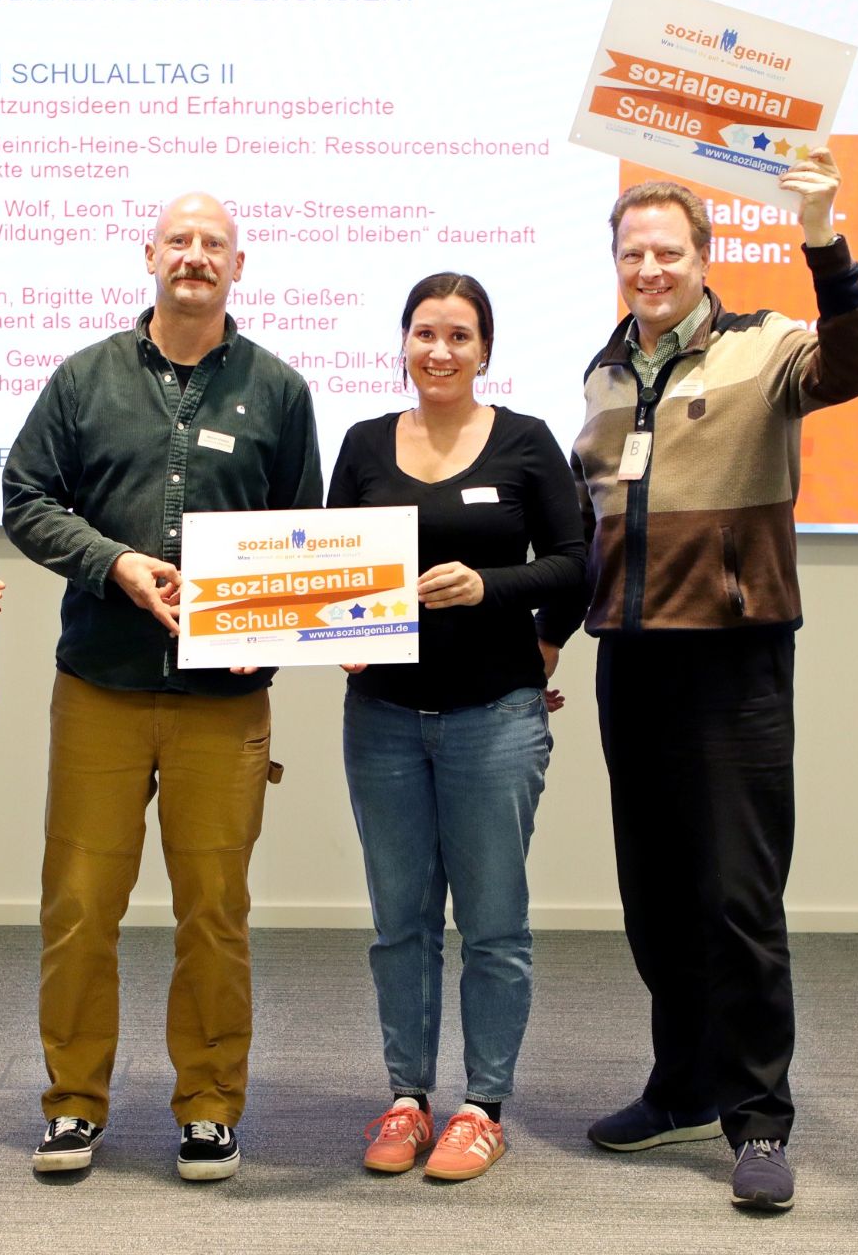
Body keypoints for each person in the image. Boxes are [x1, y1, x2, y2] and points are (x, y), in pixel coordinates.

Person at [537, 151, 858, 1211]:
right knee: (654, 894)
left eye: (669, 251)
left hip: (733, 660)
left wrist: (823, 233)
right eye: (633, 252)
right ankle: (682, 1081)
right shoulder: (601, 374)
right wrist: (554, 632)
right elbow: (590, 531)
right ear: (617, 263)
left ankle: (760, 1117)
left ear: (705, 257)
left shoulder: (766, 346)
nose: (650, 268)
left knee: (738, 894)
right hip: (630, 659)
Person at [2, 191, 322, 1181]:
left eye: (212, 244)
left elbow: (300, 539)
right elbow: (23, 497)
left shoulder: (278, 389)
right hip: (100, 679)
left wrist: (260, 637)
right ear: (149, 254)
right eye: (178, 240)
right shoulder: (84, 378)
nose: (194, 256)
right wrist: (115, 563)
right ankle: (72, 1100)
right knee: (80, 903)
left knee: (215, 909)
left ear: (239, 264)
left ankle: (212, 1101)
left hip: (224, 705)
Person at [327, 274, 586, 1181]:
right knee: (399, 921)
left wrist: (497, 594)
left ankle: (483, 1105)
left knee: (492, 923)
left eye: (459, 336)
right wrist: (337, 638)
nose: (440, 351)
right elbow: (326, 571)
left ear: (486, 350)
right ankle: (406, 1095)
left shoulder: (525, 442)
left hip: (494, 717)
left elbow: (576, 564)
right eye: (424, 333)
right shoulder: (362, 446)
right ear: (402, 341)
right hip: (384, 719)